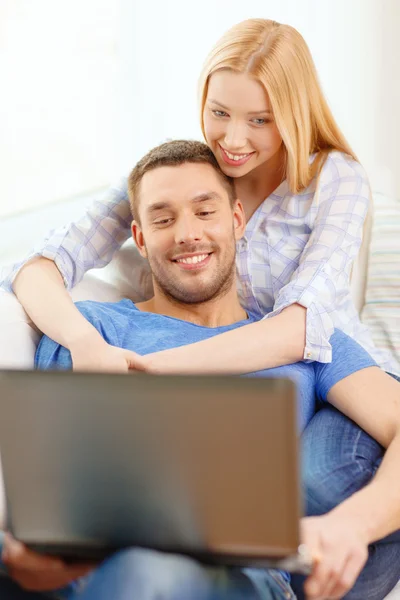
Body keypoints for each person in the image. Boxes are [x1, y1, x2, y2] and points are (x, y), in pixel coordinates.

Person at [1, 17, 399, 598]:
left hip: (305, 362)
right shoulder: (100, 323)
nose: (234, 140)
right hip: (111, 563)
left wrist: (151, 373)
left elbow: (302, 325)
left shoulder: (331, 202)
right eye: (220, 114)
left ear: (236, 218)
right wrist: (92, 346)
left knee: (314, 485)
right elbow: (39, 266)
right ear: (138, 234)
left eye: (259, 120)